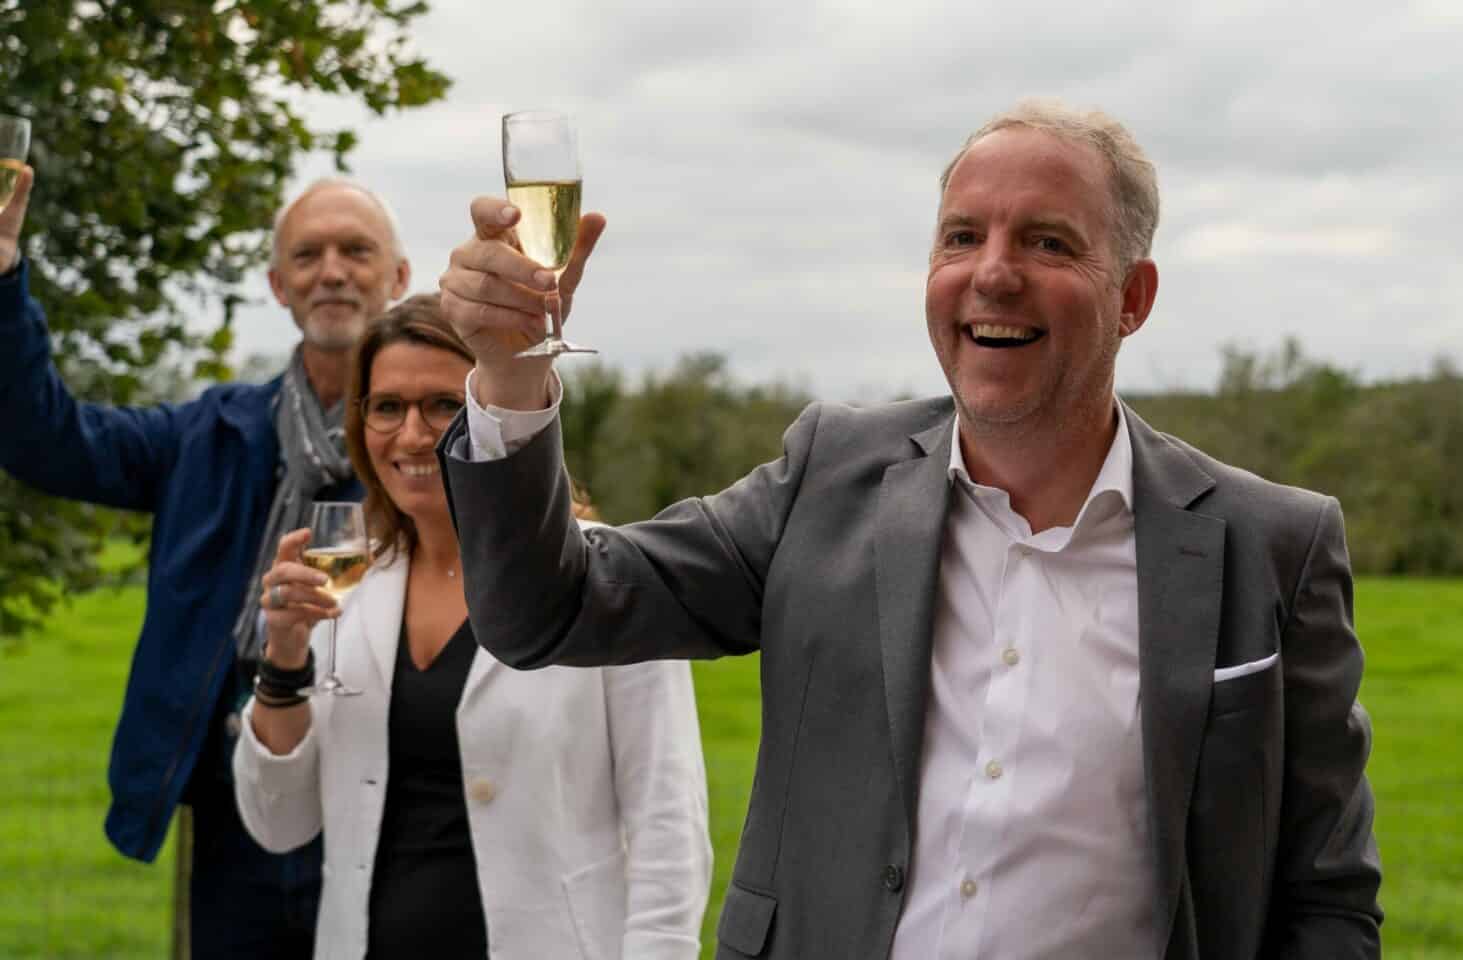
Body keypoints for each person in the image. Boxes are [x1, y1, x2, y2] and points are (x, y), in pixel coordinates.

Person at [435, 99, 1382, 958]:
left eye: (1048, 242)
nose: (993, 274)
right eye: (962, 237)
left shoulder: (1269, 546)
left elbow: (1325, 896)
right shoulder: (828, 476)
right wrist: (511, 378)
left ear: (1132, 297)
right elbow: (547, 611)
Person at [0, 165, 410, 957]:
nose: (331, 271)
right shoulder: (210, 434)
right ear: (278, 285)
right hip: (236, 792)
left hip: (386, 784)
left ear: (397, 276)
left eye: (356, 251)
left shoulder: (429, 444)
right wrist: (3, 281)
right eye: (307, 255)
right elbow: (47, 441)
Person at [233, 295, 711, 958]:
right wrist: (284, 658)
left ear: (494, 410)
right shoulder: (346, 582)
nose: (411, 435)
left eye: (443, 404)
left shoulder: (606, 579)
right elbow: (278, 823)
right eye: (387, 407)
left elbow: (668, 823)